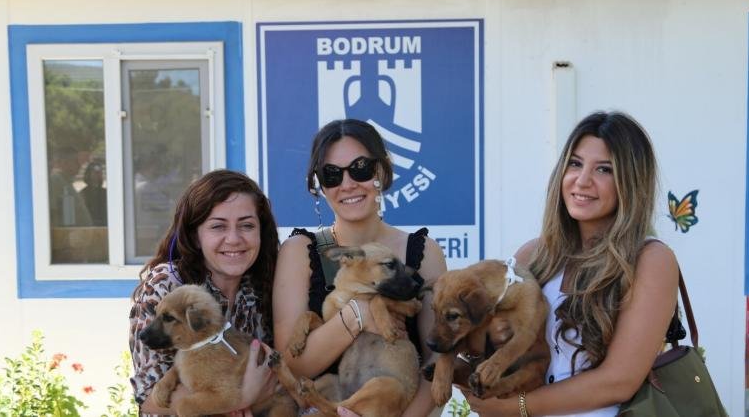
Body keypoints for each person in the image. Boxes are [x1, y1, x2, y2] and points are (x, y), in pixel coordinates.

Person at [465, 111, 680, 417]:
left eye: (604, 169)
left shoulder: (650, 260)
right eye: (575, 164)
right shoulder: (534, 255)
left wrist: (517, 407)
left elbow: (619, 382)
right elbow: (478, 344)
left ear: (630, 182)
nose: (582, 181)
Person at [273, 118, 448, 417]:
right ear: (320, 185)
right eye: (331, 175)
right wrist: (359, 315)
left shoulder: (424, 252)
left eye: (360, 169)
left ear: (380, 170)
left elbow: (438, 361)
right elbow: (293, 362)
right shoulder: (300, 251)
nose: (348, 184)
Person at [129, 170, 281, 417]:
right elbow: (149, 395)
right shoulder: (167, 286)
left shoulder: (261, 284)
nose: (234, 239)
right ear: (195, 236)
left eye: (247, 225)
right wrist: (242, 397)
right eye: (218, 226)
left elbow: (274, 373)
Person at [80, 160, 107, 226]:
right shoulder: (83, 194)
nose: (98, 175)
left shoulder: (106, 193)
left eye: (100, 172)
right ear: (88, 174)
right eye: (96, 172)